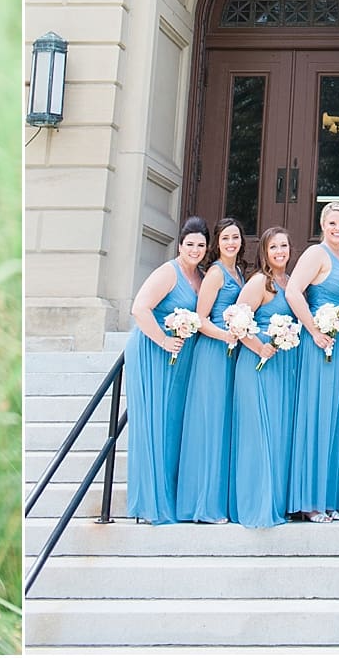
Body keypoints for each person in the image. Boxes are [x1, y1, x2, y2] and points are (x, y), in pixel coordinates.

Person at [124, 218, 208, 525]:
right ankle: (149, 504)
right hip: (153, 351)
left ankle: (169, 497)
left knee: (172, 425)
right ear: (180, 245)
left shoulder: (199, 276)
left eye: (200, 245)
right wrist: (162, 340)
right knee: (154, 424)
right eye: (190, 244)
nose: (195, 250)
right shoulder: (167, 272)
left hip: (180, 357)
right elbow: (139, 308)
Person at [285, 202, 339, 519]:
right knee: (318, 415)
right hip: (320, 344)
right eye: (332, 222)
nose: (337, 228)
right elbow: (293, 292)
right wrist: (313, 330)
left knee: (336, 417)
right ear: (322, 224)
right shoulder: (316, 254)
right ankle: (310, 500)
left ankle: (329, 497)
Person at [176, 217, 246, 522]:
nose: (231, 243)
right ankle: (203, 505)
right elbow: (200, 319)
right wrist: (225, 335)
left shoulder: (239, 272)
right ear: (217, 242)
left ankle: (218, 500)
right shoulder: (216, 274)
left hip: (230, 354)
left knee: (223, 425)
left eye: (236, 238)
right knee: (209, 424)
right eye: (226, 238)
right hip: (213, 354)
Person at [230, 227, 298, 528]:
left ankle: (276, 501)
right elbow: (236, 318)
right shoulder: (260, 281)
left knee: (278, 434)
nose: (280, 252)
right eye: (274, 247)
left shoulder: (290, 282)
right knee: (258, 434)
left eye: (284, 246)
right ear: (265, 252)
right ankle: (256, 505)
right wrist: (259, 346)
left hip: (282, 367)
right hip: (258, 365)